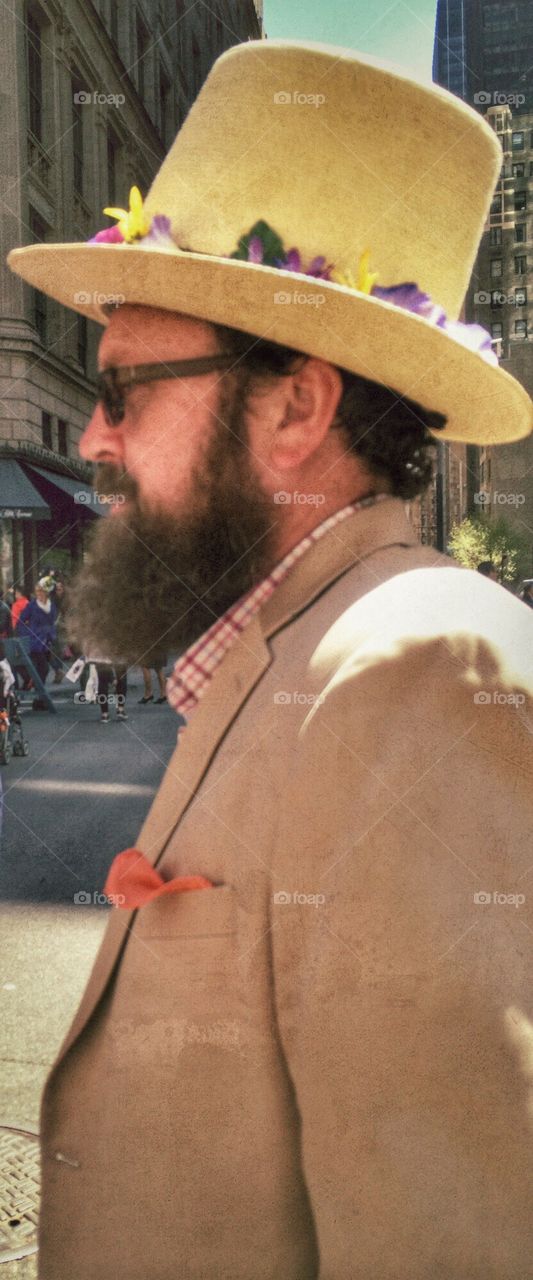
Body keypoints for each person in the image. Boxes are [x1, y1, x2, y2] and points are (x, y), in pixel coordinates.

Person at [8, 40, 533, 1280]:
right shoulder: (294, 634)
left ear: (294, 407)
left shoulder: (416, 667)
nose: (91, 431)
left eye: (128, 387)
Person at [16, 580, 57, 709]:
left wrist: (52, 635)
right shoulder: (32, 606)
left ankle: (38, 698)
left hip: (46, 642)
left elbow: (52, 623)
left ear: (47, 592)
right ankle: (38, 698)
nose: (38, 593)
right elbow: (20, 622)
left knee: (42, 670)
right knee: (43, 668)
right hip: (35, 642)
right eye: (37, 591)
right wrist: (28, 635)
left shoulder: (52, 606)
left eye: (41, 591)